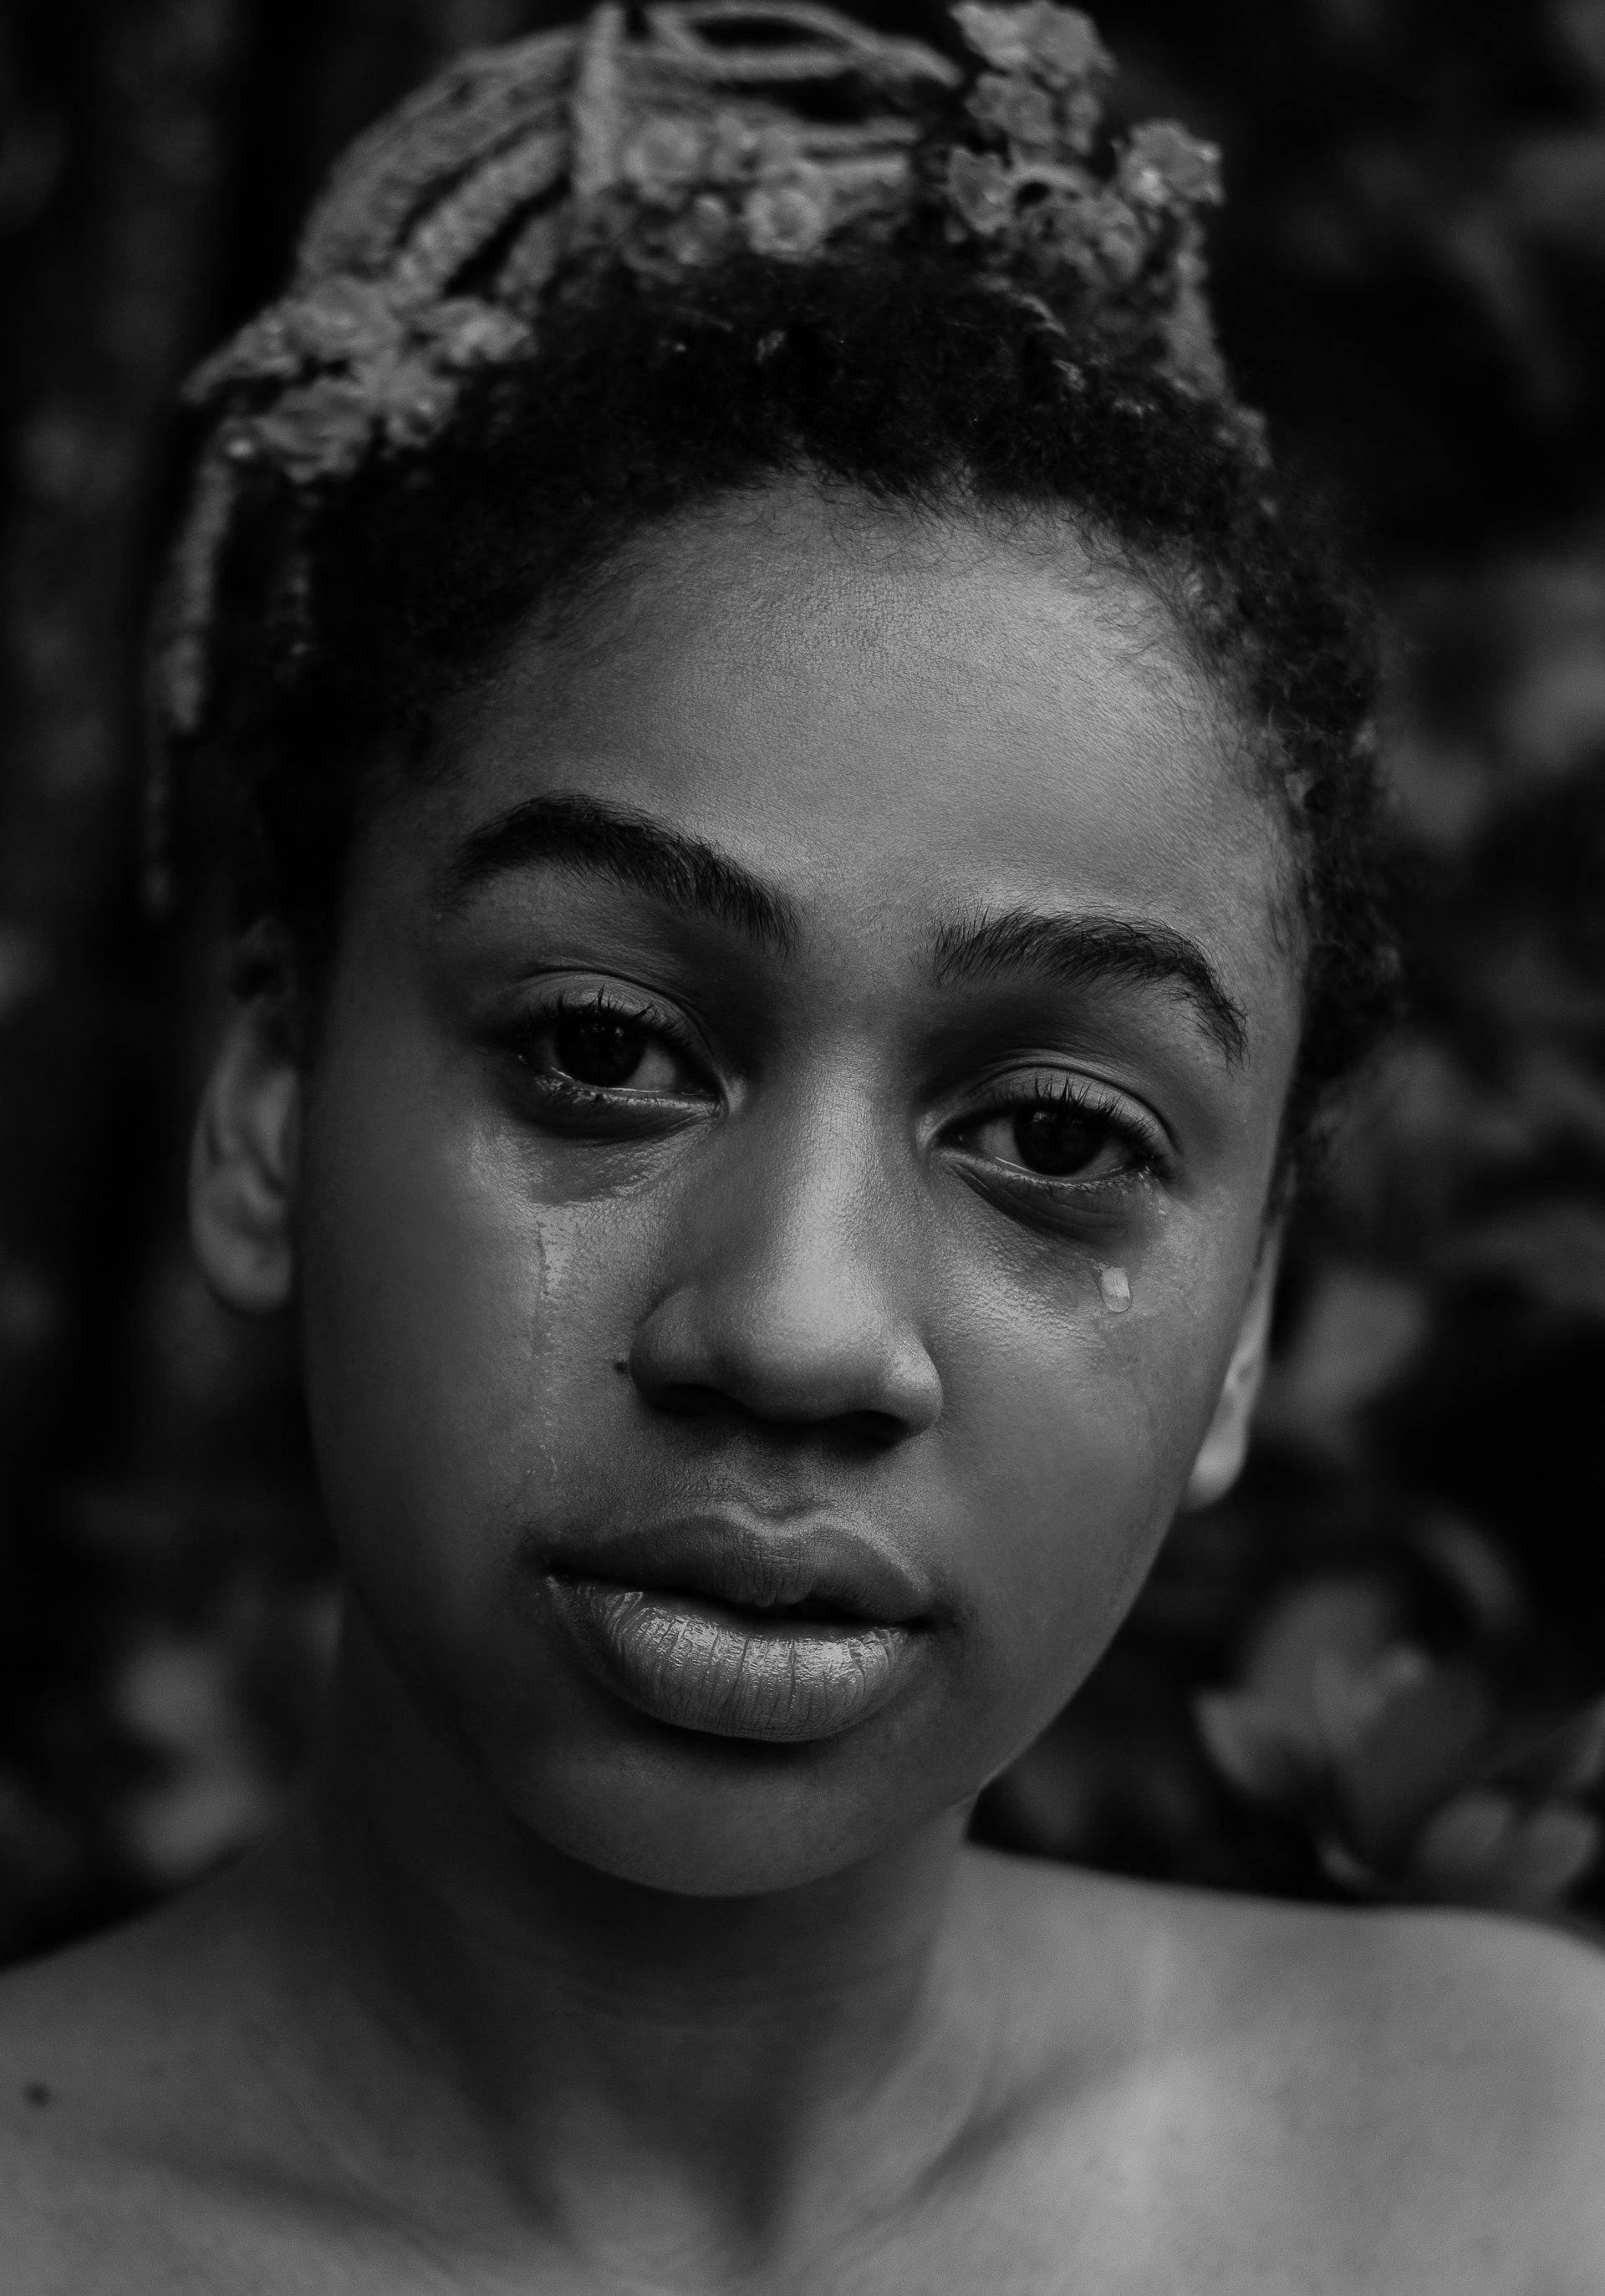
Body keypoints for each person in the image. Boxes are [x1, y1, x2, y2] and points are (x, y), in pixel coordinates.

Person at [2, 3, 1602, 2285]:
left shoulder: (1528, 2170)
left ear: (1248, 1314)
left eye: (1059, 1127)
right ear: (270, 1102)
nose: (796, 1322)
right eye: (600, 1049)